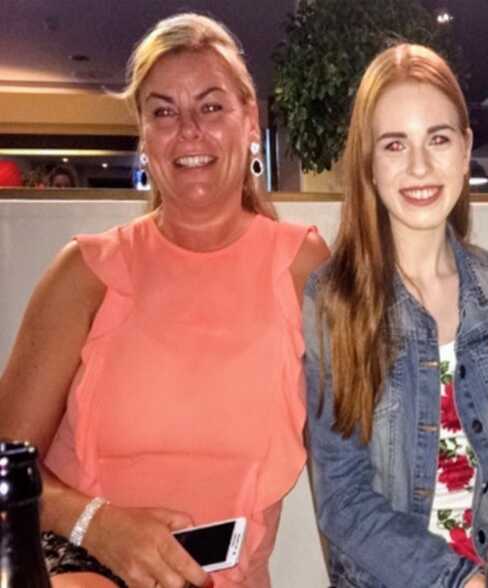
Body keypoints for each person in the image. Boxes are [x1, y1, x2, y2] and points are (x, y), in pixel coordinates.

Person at [0, 13, 329, 588]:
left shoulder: (301, 267)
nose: (189, 131)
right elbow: (6, 464)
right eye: (163, 112)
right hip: (82, 572)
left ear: (250, 121)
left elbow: (352, 465)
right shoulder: (85, 272)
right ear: (144, 135)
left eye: (210, 106)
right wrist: (99, 525)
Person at [303, 43, 488, 588]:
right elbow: (343, 502)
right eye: (395, 145)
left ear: (466, 149)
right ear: (369, 166)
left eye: (438, 139)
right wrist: (463, 582)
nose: (420, 167)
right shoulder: (335, 300)